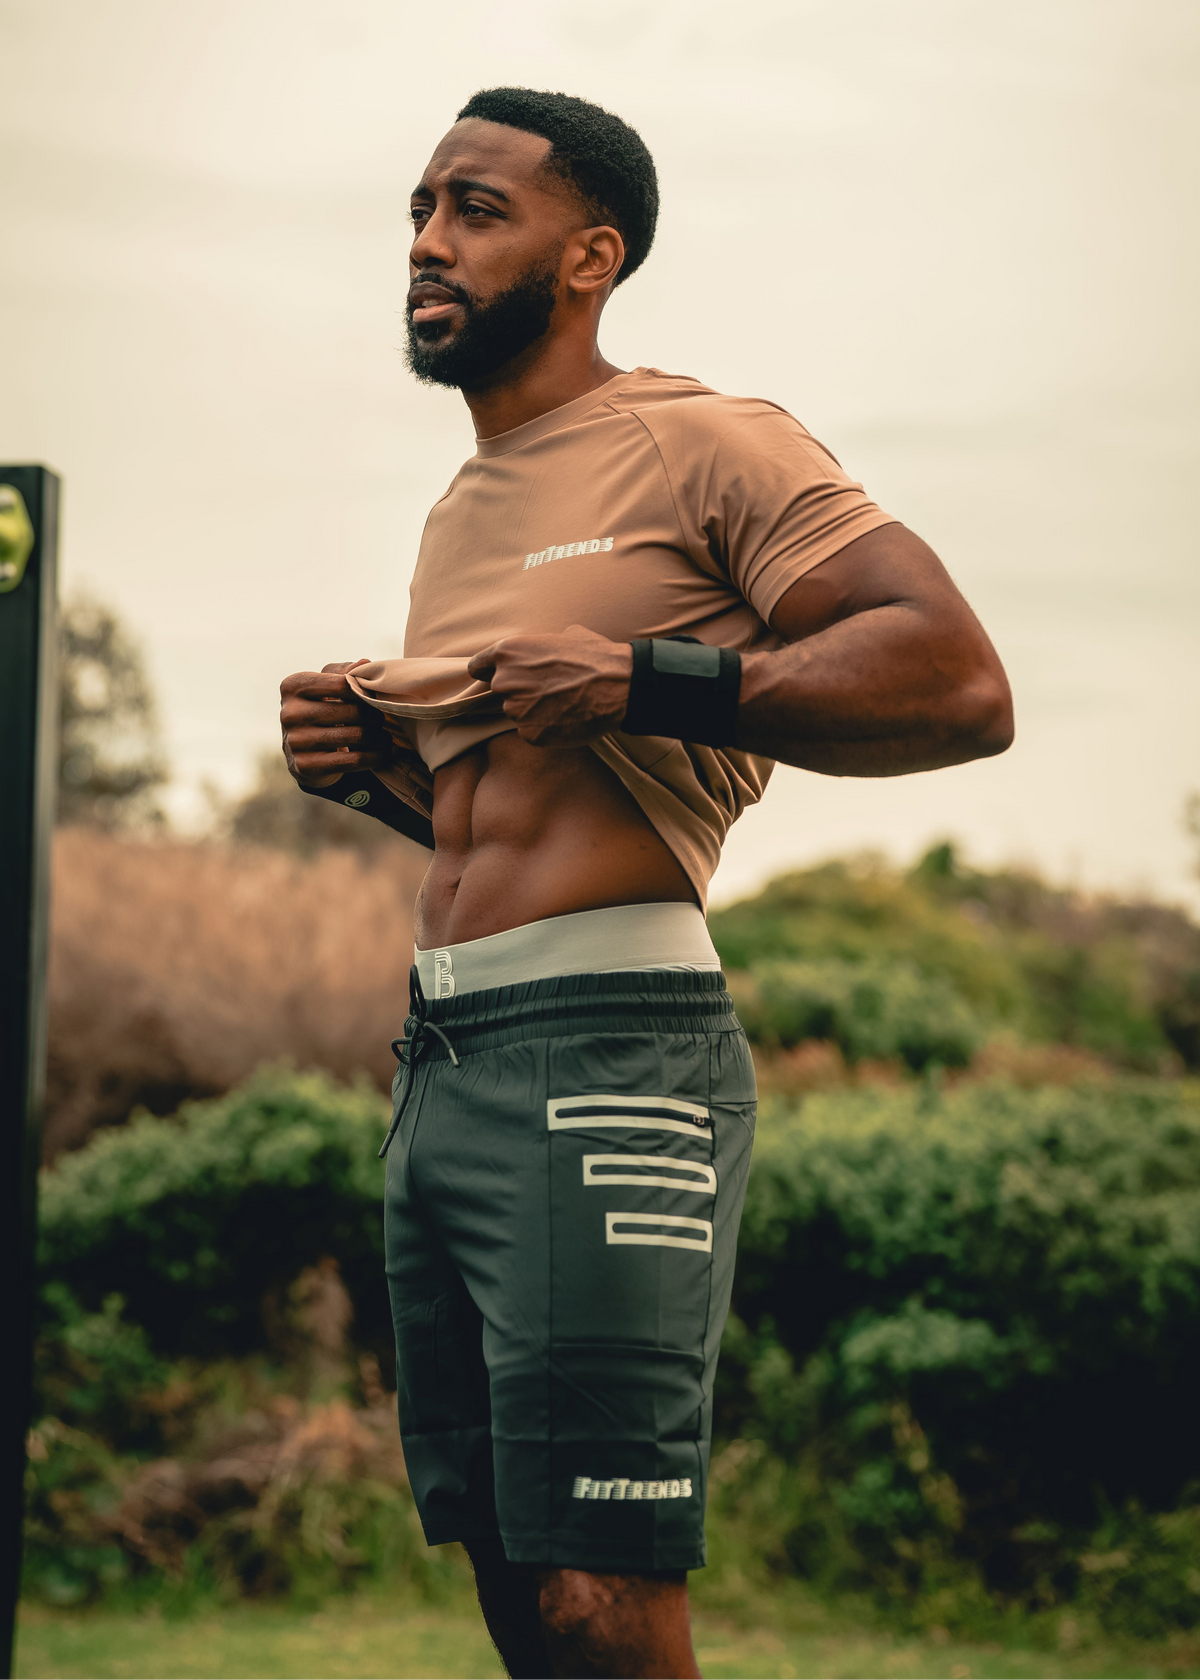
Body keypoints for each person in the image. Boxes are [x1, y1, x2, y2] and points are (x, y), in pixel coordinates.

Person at [279, 87, 1013, 1680]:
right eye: (418, 208)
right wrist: (380, 775)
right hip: (447, 1061)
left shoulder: (704, 439)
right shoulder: (461, 507)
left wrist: (647, 676)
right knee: (503, 1566)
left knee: (598, 1594)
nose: (427, 242)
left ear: (591, 255)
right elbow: (541, 826)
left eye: (477, 210)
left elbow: (961, 684)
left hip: (613, 1057)